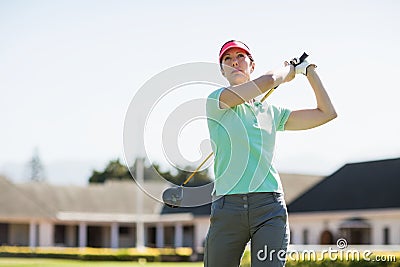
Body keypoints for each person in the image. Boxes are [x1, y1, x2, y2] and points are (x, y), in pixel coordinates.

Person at [204, 40, 337, 267]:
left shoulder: (271, 112)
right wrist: (287, 69)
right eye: (227, 58)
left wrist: (308, 71)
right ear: (222, 70)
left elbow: (326, 113)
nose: (234, 61)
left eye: (240, 56)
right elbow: (268, 81)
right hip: (228, 208)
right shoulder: (217, 101)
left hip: (269, 207)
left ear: (251, 65)